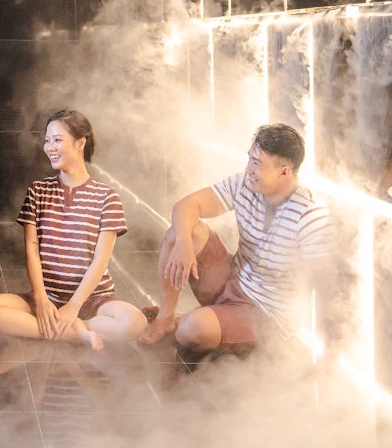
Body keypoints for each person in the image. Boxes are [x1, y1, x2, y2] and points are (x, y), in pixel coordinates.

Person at [139, 123, 335, 353]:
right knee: (182, 231)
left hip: (265, 314)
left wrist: (330, 350)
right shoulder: (245, 184)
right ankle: (166, 318)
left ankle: (190, 322)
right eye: (250, 159)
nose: (249, 169)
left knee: (190, 330)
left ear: (284, 172)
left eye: (257, 164)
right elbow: (187, 205)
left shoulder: (309, 215)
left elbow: (326, 283)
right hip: (232, 281)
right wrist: (183, 243)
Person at [0, 110, 148, 349]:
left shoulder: (107, 196)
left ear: (80, 143)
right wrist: (42, 300)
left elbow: (100, 260)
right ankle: (75, 334)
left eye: (57, 140)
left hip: (93, 300)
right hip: (48, 297)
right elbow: (31, 250)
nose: (49, 147)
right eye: (47, 140)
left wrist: (73, 306)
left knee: (135, 323)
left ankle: (57, 326)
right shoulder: (38, 191)